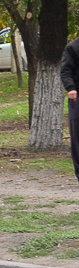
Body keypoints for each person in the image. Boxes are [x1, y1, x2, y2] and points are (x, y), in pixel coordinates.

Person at [59, 35, 79, 184]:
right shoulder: (73, 47)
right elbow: (65, 70)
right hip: (77, 97)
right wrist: (71, 88)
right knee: (77, 136)